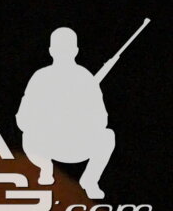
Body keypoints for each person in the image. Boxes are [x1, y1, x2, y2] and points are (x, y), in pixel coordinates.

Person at [18, 27, 122, 199]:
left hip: (76, 144)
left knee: (107, 136)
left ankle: (89, 180)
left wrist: (77, 115)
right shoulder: (41, 77)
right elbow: (24, 118)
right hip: (46, 143)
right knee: (28, 137)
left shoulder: (85, 78)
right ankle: (45, 168)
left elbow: (101, 119)